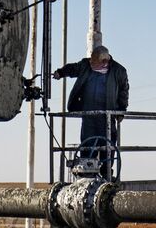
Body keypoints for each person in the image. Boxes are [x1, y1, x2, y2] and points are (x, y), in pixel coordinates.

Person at [53, 45, 129, 173]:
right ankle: (86, 176)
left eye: (94, 62)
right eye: (91, 61)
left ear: (105, 62)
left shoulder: (119, 71)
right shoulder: (85, 65)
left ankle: (107, 175)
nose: (91, 63)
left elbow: (123, 92)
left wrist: (121, 110)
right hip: (89, 116)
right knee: (87, 147)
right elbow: (73, 68)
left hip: (107, 117)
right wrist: (61, 72)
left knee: (108, 148)